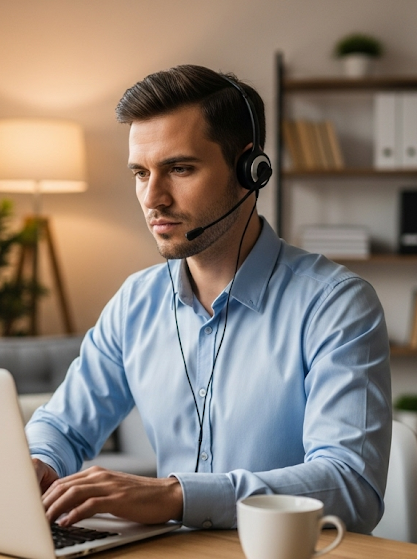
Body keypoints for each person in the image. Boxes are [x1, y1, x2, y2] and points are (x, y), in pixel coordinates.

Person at [26, 64, 391, 534]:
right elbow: (62, 425)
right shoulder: (135, 302)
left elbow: (351, 485)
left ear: (249, 170)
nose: (153, 198)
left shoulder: (337, 306)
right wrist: (41, 462)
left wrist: (175, 496)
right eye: (140, 172)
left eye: (179, 169)